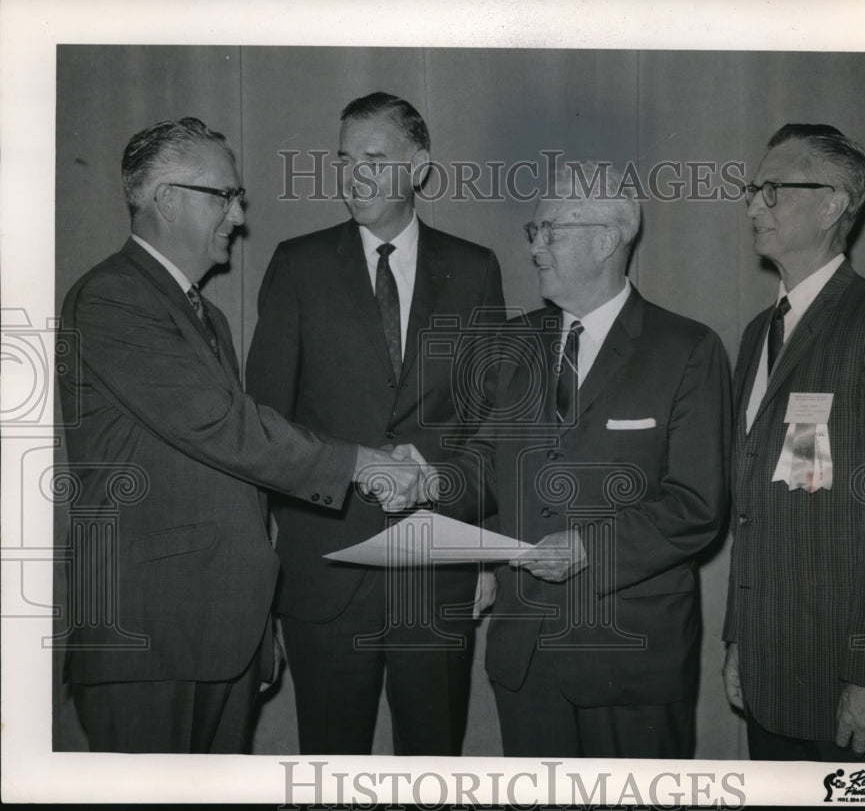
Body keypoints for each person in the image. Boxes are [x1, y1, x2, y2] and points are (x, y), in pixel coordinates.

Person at [57, 117, 429, 754]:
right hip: (149, 637)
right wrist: (366, 462)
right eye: (223, 197)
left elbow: (234, 479)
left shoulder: (203, 317)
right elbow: (223, 427)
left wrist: (255, 623)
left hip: (215, 633)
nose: (237, 215)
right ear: (166, 200)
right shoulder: (113, 297)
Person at [245, 92, 505, 755]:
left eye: (374, 157)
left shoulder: (474, 271)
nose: (353, 174)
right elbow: (261, 425)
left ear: (418, 166)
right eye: (342, 159)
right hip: (323, 575)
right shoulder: (297, 265)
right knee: (330, 771)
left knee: (434, 768)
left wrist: (483, 550)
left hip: (436, 569)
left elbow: (490, 428)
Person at [449, 161, 731, 758]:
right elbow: (486, 466)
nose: (535, 249)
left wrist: (587, 549)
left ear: (606, 239)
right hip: (526, 657)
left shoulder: (687, 350)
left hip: (629, 659)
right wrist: (424, 478)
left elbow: (697, 504)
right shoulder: (513, 343)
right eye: (535, 233)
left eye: (550, 231)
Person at [722, 124, 865, 762]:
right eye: (751, 188)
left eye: (771, 189)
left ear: (831, 204)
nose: (751, 204)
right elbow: (757, 507)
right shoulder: (755, 336)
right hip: (777, 681)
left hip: (859, 695)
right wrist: (740, 638)